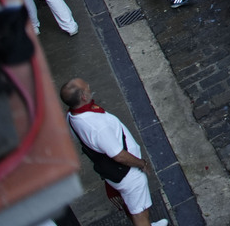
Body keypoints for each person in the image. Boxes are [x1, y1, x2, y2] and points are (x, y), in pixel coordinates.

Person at [61, 78, 168, 226]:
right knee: (140, 214)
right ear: (83, 97)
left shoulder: (71, 117)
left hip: (112, 173)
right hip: (128, 175)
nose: (89, 87)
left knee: (131, 206)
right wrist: (141, 163)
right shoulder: (97, 126)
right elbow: (118, 155)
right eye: (87, 88)